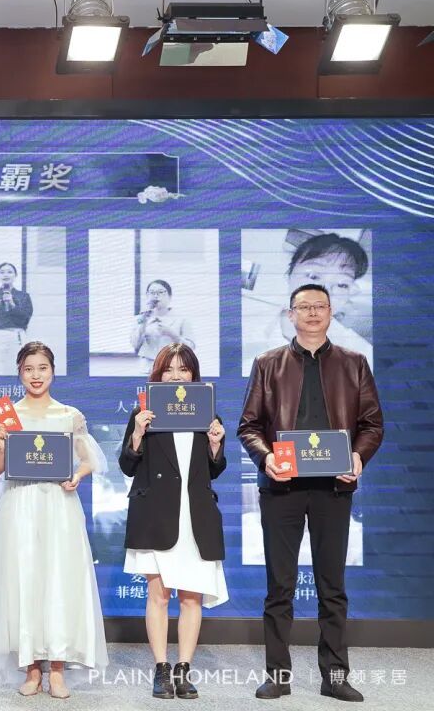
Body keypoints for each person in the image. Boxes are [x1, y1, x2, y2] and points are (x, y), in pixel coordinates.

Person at [238, 283, 383, 703]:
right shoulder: (268, 363)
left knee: (332, 587)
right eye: (305, 307)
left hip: (333, 488)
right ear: (291, 314)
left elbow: (373, 424)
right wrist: (266, 457)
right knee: (279, 587)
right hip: (281, 488)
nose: (313, 313)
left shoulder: (354, 363)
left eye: (320, 306)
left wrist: (358, 456)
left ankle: (335, 676)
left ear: (331, 312)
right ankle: (277, 675)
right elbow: (249, 425)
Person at [0, 341, 109, 698]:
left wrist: (77, 476)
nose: (35, 375)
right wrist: (2, 446)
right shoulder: (8, 416)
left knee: (58, 580)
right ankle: (31, 668)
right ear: (19, 373)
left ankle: (57, 669)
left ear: (53, 371)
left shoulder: (69, 415)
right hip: (19, 505)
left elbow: (89, 459)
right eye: (28, 369)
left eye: (42, 368)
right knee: (25, 580)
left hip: (58, 505)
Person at [120, 343, 227, 699]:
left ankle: (184, 669)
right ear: (158, 374)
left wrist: (215, 444)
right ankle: (161, 669)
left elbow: (215, 468)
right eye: (169, 369)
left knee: (192, 597)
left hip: (195, 516)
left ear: (194, 375)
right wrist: (138, 433)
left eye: (183, 369)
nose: (176, 376)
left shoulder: (208, 413)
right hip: (156, 514)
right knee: (159, 595)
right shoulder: (144, 412)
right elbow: (127, 465)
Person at [249, 232, 372, 368]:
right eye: (313, 276)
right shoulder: (247, 328)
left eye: (342, 285)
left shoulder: (359, 355)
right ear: (289, 276)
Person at [0, 262, 34, 375]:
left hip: (17, 336)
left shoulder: (23, 296)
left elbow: (26, 318)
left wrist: (13, 305)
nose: (6, 275)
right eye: (2, 272)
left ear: (15, 275)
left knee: (17, 367)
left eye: (9, 272)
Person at [130, 280, 195, 374]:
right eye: (152, 292)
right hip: (147, 369)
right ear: (147, 296)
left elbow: (190, 348)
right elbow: (135, 344)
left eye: (160, 292)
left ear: (170, 296)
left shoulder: (182, 319)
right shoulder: (140, 318)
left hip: (173, 368)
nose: (156, 296)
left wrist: (173, 335)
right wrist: (143, 322)